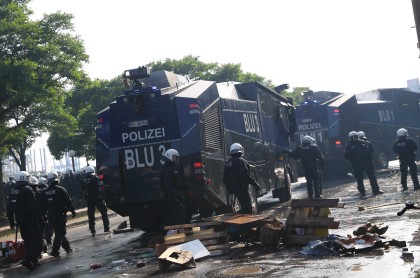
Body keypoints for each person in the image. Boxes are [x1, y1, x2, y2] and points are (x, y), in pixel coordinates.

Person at [6, 171, 43, 270]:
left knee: (27, 240)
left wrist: (11, 221)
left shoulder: (13, 191)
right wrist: (39, 216)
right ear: (23, 178)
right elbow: (32, 207)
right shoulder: (27, 189)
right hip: (30, 219)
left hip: (20, 220)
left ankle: (33, 261)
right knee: (38, 240)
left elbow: (9, 208)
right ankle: (27, 259)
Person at [40, 172, 76, 258]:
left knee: (60, 232)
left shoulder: (44, 192)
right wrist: (73, 212)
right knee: (60, 233)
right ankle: (55, 251)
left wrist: (43, 215)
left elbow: (42, 206)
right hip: (60, 215)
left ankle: (67, 248)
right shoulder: (61, 190)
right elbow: (68, 202)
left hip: (51, 216)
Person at [223, 143, 260, 214]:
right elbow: (245, 176)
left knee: (244, 207)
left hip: (234, 189)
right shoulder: (241, 161)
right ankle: (241, 221)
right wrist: (255, 185)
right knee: (248, 208)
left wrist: (230, 189)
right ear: (240, 151)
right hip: (241, 188)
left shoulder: (227, 163)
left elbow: (225, 179)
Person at [344, 131, 384, 197]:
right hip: (357, 165)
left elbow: (370, 151)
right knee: (359, 179)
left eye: (356, 136)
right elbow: (346, 156)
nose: (356, 138)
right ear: (350, 138)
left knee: (372, 177)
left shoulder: (362, 142)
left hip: (367, 163)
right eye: (354, 137)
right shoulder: (349, 146)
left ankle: (376, 190)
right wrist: (351, 152)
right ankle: (362, 192)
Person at [160, 149, 186, 226]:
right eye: (175, 158)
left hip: (173, 196)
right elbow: (168, 186)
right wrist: (177, 196)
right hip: (171, 197)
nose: (177, 160)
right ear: (171, 157)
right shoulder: (168, 169)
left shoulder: (169, 167)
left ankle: (176, 231)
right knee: (178, 215)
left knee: (179, 213)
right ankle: (165, 229)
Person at [81, 166, 110, 236]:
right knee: (104, 213)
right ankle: (106, 228)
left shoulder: (83, 181)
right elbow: (101, 187)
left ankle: (92, 230)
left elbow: (83, 189)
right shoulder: (96, 178)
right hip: (98, 198)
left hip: (89, 200)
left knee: (91, 216)